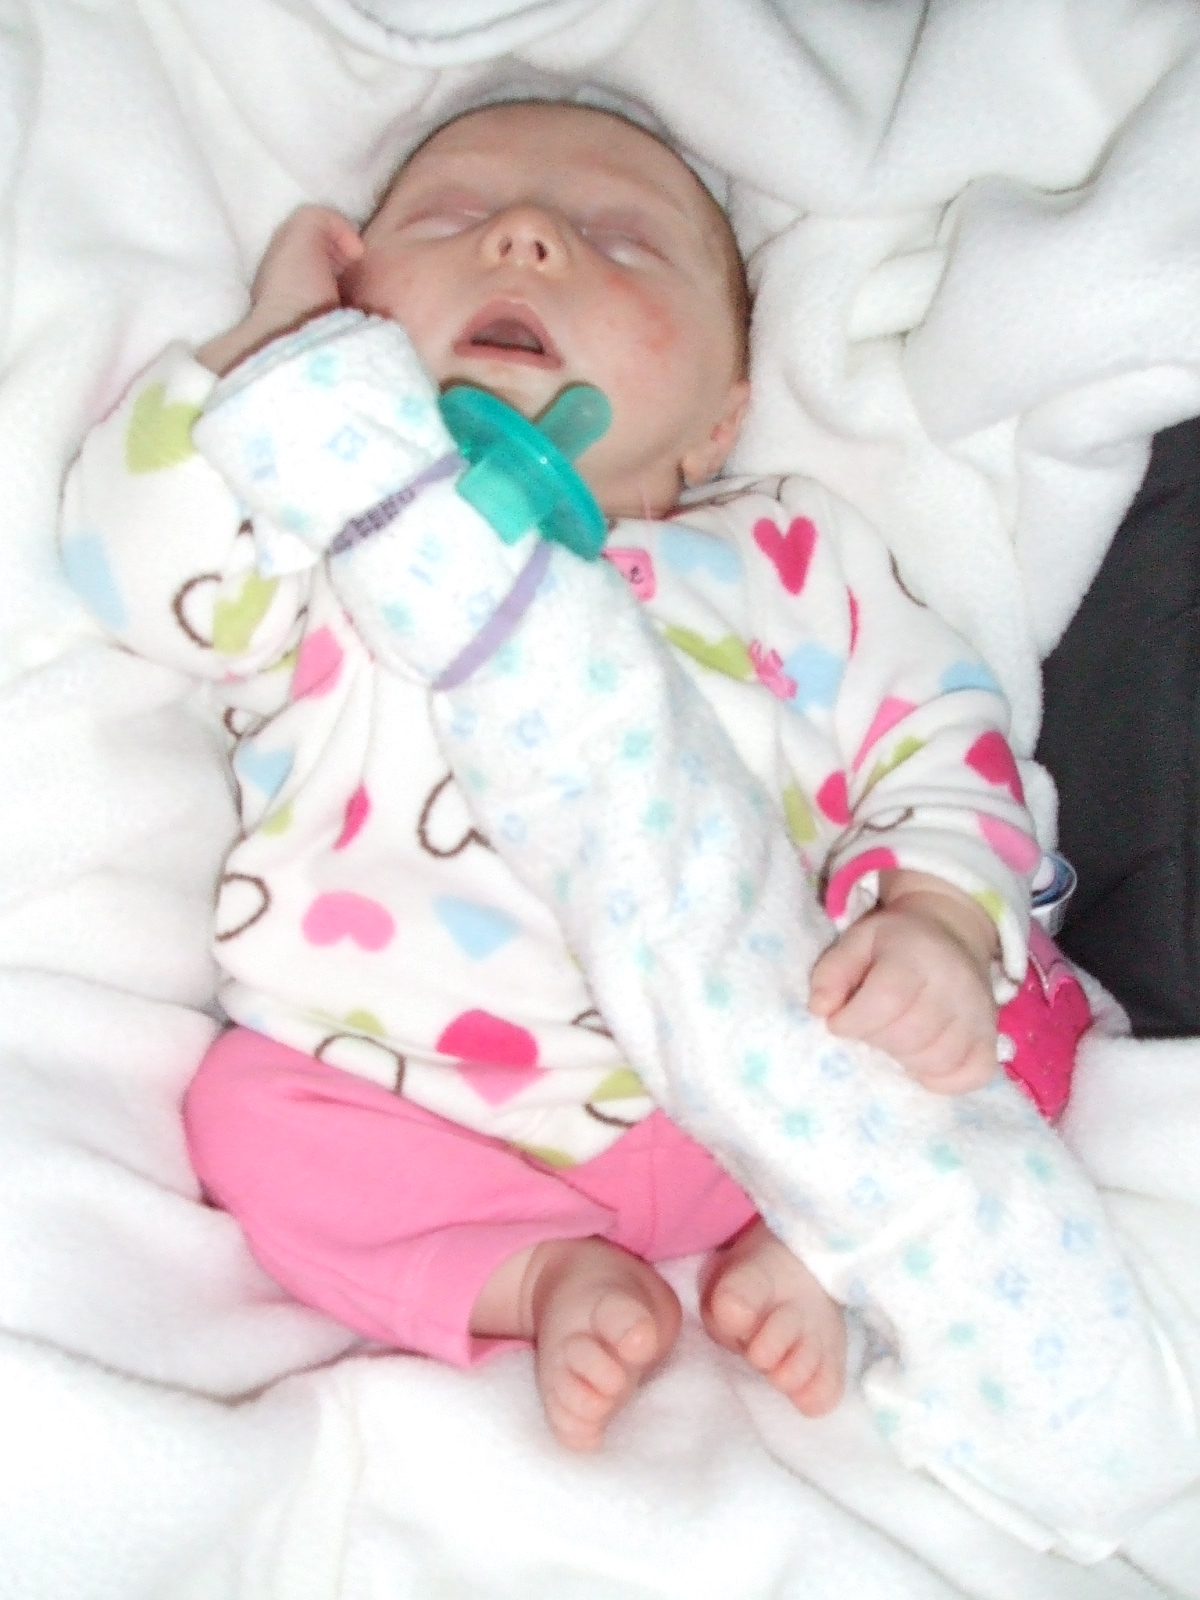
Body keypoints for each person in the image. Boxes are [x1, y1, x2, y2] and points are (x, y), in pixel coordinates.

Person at [60, 99, 1087, 1452]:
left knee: (1028, 1014)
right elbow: (136, 577)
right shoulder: (335, 544)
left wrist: (938, 921)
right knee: (247, 1119)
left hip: (779, 1064)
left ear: (718, 422)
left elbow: (941, 729)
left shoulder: (786, 556)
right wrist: (272, 354)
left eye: (623, 242)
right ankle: (531, 1273)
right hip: (431, 1094)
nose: (527, 237)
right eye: (449, 219)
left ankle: (822, 1242)